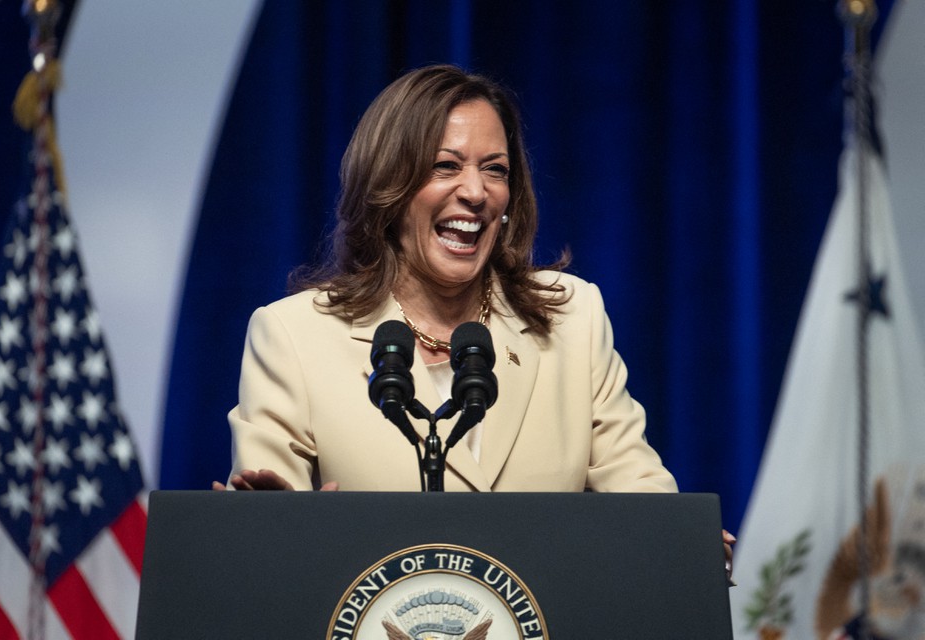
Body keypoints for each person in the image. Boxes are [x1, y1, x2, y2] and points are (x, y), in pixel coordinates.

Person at [212, 63, 735, 572]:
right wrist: (279, 531)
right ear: (389, 185)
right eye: (446, 166)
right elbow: (271, 534)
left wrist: (680, 542)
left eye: (495, 169)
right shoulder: (294, 334)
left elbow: (636, 486)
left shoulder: (573, 318)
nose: (476, 192)